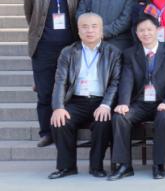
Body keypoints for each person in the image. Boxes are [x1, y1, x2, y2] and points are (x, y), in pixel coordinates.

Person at [109, 15, 165, 180]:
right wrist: (123, 103)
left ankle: (159, 164)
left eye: (149, 29)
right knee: (120, 117)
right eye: (141, 30)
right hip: (140, 102)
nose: (146, 33)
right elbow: (127, 79)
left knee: (164, 117)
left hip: (163, 102)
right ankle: (124, 165)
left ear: (158, 30)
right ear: (136, 33)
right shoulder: (130, 53)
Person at [47, 13, 120, 179]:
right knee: (60, 121)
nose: (90, 31)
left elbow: (115, 82)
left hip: (101, 101)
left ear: (101, 30)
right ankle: (66, 167)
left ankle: (96, 166)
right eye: (84, 27)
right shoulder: (68, 52)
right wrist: (58, 107)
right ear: (78, 31)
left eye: (94, 26)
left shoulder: (113, 52)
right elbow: (60, 81)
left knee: (103, 122)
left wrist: (106, 104)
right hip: (76, 101)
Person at [26, 0, 81, 146]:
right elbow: (30, 16)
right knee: (45, 91)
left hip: (71, 47)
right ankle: (46, 132)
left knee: (71, 90)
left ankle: (66, 130)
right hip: (43, 48)